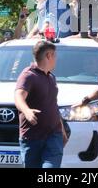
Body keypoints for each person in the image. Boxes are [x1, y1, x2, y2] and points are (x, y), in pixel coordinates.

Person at [15, 40, 67, 168]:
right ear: (49, 55)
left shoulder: (51, 77)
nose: (56, 59)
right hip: (32, 137)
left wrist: (62, 129)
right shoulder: (28, 75)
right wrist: (27, 111)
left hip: (53, 135)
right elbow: (18, 96)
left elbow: (52, 104)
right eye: (55, 55)